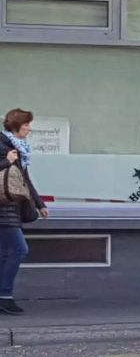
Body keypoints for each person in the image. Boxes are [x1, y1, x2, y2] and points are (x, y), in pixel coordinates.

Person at [0, 108, 49, 315]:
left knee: (4, 254)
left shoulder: (18, 148)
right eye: (27, 124)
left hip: (12, 208)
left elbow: (24, 180)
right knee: (20, 250)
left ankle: (3, 297)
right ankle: (5, 296)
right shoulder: (3, 145)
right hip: (3, 208)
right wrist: (7, 161)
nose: (29, 129)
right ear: (15, 125)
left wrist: (40, 204)